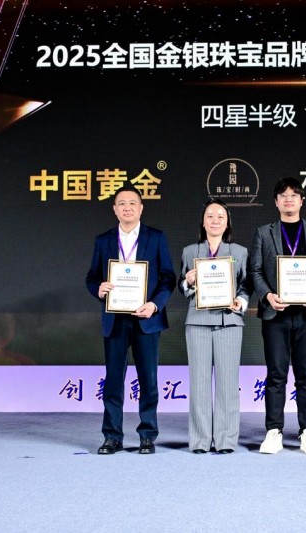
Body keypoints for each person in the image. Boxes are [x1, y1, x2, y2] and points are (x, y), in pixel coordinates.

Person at [85, 183, 176, 455]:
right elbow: (91, 277)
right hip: (115, 319)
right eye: (122, 203)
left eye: (132, 203)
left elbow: (168, 278)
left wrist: (154, 305)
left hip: (145, 318)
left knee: (148, 380)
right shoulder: (103, 240)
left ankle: (147, 435)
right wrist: (98, 288)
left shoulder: (156, 237)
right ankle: (112, 436)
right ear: (114, 209)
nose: (127, 208)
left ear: (141, 208)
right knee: (113, 380)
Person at [248, 177, 306, 454]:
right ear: (276, 202)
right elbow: (255, 270)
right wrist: (267, 296)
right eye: (283, 195)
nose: (288, 199)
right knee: (276, 375)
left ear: (301, 200)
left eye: (294, 195)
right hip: (276, 313)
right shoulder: (264, 233)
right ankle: (274, 431)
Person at [179, 199, 250, 454]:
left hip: (229, 321)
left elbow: (246, 285)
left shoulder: (239, 252)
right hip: (197, 321)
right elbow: (182, 287)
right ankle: (199, 440)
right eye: (210, 215)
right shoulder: (190, 251)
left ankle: (226, 440)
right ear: (203, 221)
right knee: (198, 384)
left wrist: (240, 302)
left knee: (228, 384)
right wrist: (188, 282)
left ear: (227, 222)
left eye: (221, 216)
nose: (215, 220)